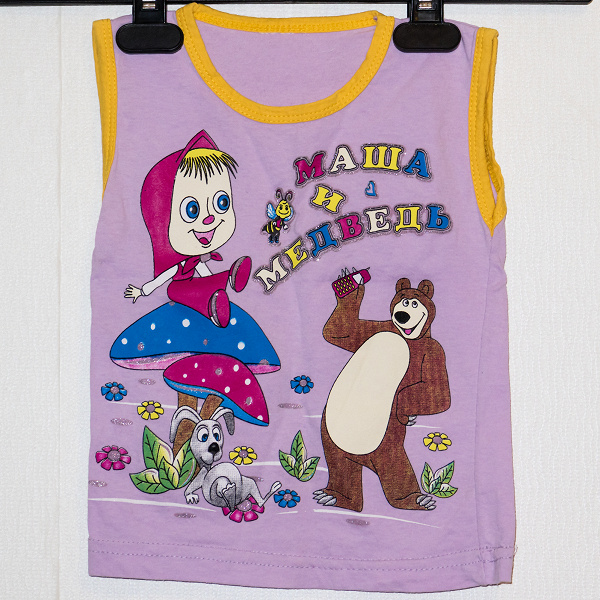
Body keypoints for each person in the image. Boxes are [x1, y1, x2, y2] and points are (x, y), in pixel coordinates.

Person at [125, 130, 251, 327]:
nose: (209, 218)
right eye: (192, 210)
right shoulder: (179, 265)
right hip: (179, 288)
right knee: (179, 292)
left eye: (222, 203)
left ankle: (229, 277)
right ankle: (212, 305)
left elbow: (203, 271)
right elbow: (162, 279)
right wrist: (143, 291)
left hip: (194, 284)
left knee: (203, 285)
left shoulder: (196, 259)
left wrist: (213, 281)